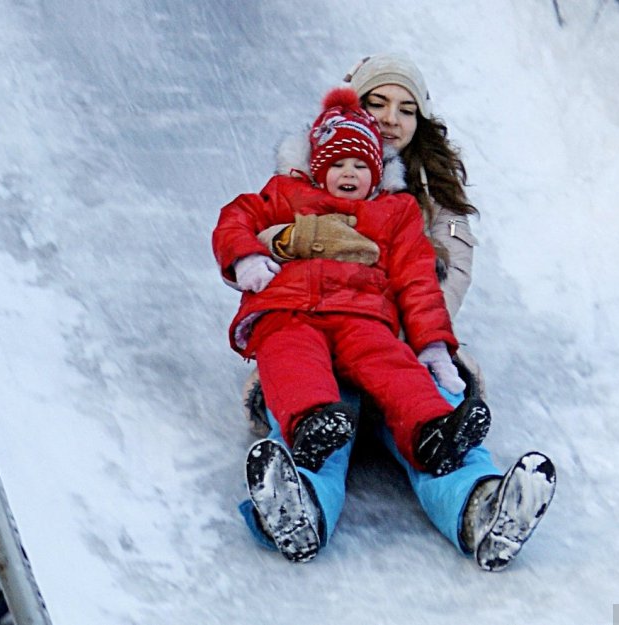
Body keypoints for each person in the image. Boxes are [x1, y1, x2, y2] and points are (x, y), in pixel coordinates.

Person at [218, 54, 555, 571]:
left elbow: (435, 287)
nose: (391, 119)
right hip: (318, 341)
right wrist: (289, 241)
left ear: (421, 122)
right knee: (312, 415)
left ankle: (481, 508)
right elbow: (253, 227)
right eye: (377, 104)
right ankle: (299, 505)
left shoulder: (433, 206)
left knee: (438, 410)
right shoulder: (302, 180)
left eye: (406, 109)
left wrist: (427, 345)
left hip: (391, 346)